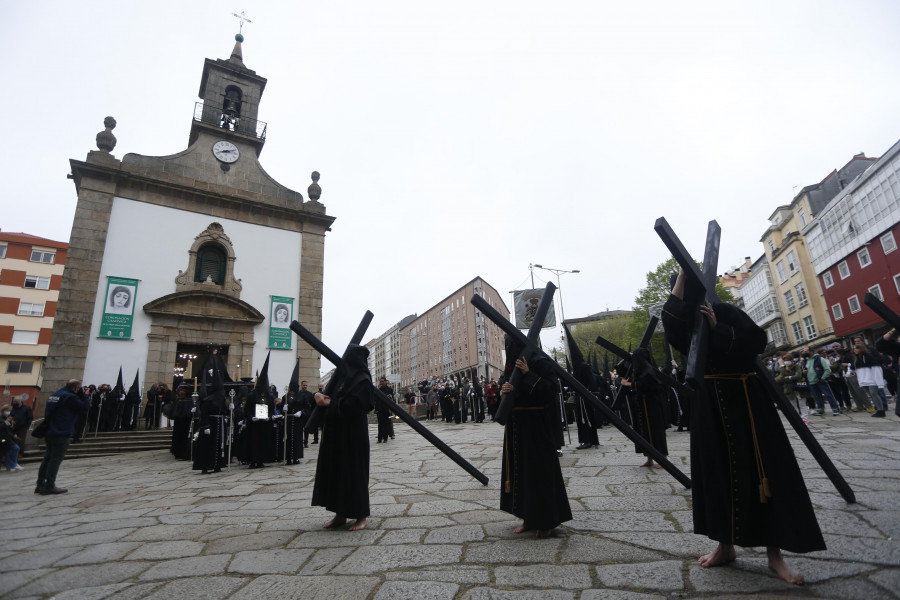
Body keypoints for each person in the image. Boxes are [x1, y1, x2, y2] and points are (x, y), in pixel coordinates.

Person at [662, 268, 825, 585]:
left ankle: (775, 556)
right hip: (709, 408)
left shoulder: (725, 311)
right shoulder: (683, 325)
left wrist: (717, 328)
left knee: (763, 474)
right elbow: (671, 324)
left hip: (747, 405)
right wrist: (680, 275)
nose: (683, 296)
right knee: (717, 475)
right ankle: (725, 547)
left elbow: (756, 341)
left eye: (685, 286)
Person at [498, 336, 572, 538]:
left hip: (536, 427)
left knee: (539, 474)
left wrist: (528, 374)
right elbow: (504, 387)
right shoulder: (510, 365)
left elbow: (550, 390)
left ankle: (546, 520)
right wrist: (503, 391)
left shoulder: (540, 361)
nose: (509, 349)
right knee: (520, 473)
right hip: (516, 427)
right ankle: (528, 518)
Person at [312, 344, 375, 531]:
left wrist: (330, 403)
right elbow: (333, 398)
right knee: (337, 474)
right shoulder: (342, 379)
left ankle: (361, 516)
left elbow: (357, 405)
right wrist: (319, 398)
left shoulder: (362, 380)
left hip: (354, 437)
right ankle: (339, 514)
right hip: (338, 436)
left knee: (354, 474)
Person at [35, 379, 90, 494]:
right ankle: (49, 485)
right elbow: (85, 408)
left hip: (49, 431)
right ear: (76, 388)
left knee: (48, 458)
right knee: (55, 459)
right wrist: (85, 396)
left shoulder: (54, 395)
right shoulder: (70, 397)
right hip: (61, 431)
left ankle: (40, 484)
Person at [619, 348, 669, 467]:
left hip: (652, 406)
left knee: (656, 430)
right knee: (643, 431)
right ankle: (649, 457)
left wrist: (629, 384)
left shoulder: (649, 370)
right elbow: (621, 370)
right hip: (641, 405)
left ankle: (663, 457)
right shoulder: (638, 370)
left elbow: (647, 386)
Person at [801, 346, 840, 417]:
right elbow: (803, 370)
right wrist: (803, 371)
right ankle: (821, 409)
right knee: (817, 396)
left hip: (820, 380)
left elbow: (828, 370)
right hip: (811, 381)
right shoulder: (805, 360)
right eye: (803, 352)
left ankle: (835, 409)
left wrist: (823, 378)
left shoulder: (819, 359)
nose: (804, 353)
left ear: (811, 351)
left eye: (806, 352)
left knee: (828, 395)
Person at [852, 342, 886, 417]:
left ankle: (881, 410)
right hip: (864, 379)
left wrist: (878, 380)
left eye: (856, 348)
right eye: (854, 349)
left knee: (874, 393)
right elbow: (856, 368)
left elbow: (876, 367)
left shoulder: (868, 356)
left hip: (871, 379)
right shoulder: (857, 358)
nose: (854, 350)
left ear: (861, 349)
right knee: (871, 394)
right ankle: (878, 410)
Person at [774, 352, 810, 424]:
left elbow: (798, 376)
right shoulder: (783, 369)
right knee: (793, 405)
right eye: (784, 360)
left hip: (799, 387)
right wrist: (792, 377)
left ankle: (804, 419)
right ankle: (797, 418)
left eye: (787, 359)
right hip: (789, 389)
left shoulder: (796, 366)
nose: (786, 361)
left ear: (791, 360)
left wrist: (789, 377)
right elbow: (782, 379)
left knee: (802, 403)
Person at [1, 406, 24, 472]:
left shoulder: (7, 418)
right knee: (15, 448)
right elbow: (2, 427)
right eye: (8, 410)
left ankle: (13, 464)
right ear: (4, 410)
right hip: (3, 438)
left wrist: (11, 424)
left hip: (9, 437)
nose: (9, 412)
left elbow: (9, 429)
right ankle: (12, 464)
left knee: (12, 449)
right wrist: (6, 422)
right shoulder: (2, 418)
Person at [375, 377, 393, 443]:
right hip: (379, 409)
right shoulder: (378, 390)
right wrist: (376, 409)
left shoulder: (390, 390)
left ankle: (385, 438)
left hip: (386, 409)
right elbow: (376, 401)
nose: (381, 383)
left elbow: (391, 400)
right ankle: (379, 438)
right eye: (380, 382)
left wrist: (390, 409)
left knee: (386, 423)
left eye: (382, 381)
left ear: (386, 382)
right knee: (380, 424)